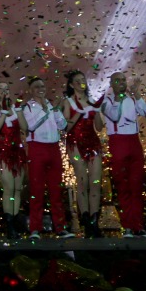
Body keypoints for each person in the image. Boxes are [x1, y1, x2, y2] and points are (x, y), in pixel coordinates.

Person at [99, 71, 146, 238]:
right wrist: (119, 100)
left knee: (136, 185)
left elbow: (145, 112)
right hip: (118, 142)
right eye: (118, 81)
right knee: (123, 185)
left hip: (134, 142)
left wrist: (137, 94)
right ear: (112, 84)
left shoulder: (132, 98)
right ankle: (128, 226)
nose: (122, 83)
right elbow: (114, 116)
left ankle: (138, 226)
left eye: (123, 80)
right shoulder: (107, 102)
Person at [19, 76, 70, 241]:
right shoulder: (27, 107)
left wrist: (57, 111)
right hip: (37, 148)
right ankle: (35, 228)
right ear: (31, 90)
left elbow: (63, 126)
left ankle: (60, 228)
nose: (40, 89)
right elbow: (30, 127)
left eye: (42, 86)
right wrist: (45, 112)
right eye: (36, 87)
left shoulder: (50, 105)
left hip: (54, 148)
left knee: (56, 189)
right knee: (37, 190)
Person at [62, 70, 103, 238]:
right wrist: (78, 112)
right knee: (82, 180)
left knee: (95, 181)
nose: (81, 82)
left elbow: (99, 127)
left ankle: (94, 221)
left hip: (93, 143)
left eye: (83, 79)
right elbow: (65, 127)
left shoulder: (92, 101)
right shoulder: (68, 102)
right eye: (77, 80)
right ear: (71, 85)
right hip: (75, 144)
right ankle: (85, 219)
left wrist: (97, 110)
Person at [0, 79, 27, 237]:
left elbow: (25, 128)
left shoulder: (15, 108)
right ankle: (8, 224)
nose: (4, 91)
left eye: (6, 88)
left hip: (18, 152)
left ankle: (15, 221)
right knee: (9, 188)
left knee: (17, 188)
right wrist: (3, 112)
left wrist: (19, 110)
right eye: (1, 89)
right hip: (3, 152)